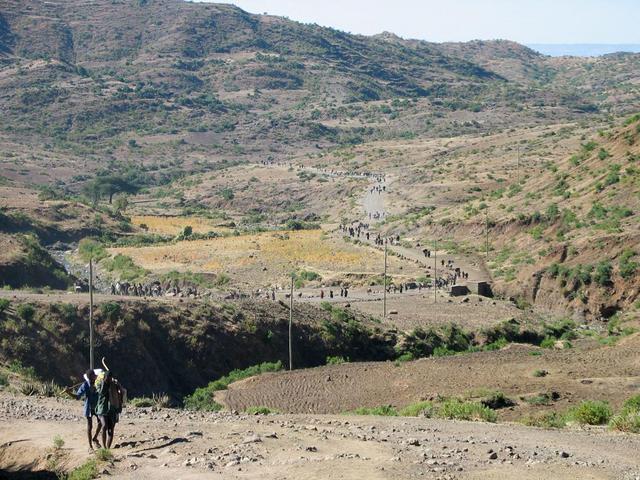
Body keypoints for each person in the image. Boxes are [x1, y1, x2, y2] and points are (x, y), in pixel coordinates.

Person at [68, 370, 98, 451]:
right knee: (90, 426)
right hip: (88, 408)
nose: (95, 376)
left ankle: (95, 438)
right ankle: (90, 446)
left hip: (97, 407)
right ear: (90, 377)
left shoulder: (98, 383)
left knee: (102, 423)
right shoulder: (85, 385)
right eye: (93, 375)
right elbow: (78, 397)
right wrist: (69, 393)